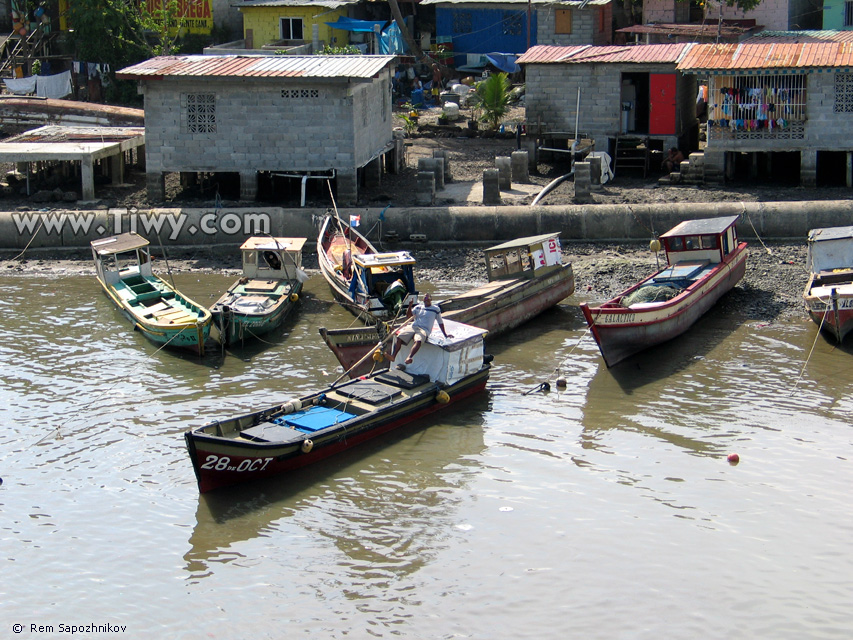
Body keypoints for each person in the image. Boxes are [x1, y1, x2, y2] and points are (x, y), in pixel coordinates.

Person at [390, 293, 452, 366]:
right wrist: (410, 306)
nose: (426, 300)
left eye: (428, 299)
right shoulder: (418, 307)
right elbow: (409, 316)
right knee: (399, 337)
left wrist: (445, 334)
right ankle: (393, 356)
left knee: (418, 340)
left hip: (424, 329)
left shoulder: (435, 309)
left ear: (431, 299)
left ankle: (409, 357)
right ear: (423, 300)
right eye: (425, 299)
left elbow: (440, 322)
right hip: (413, 326)